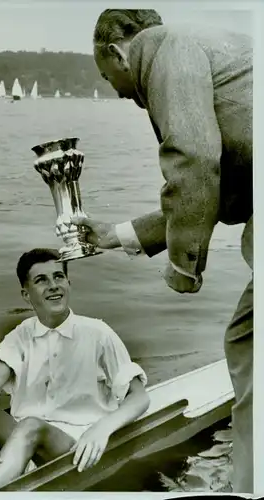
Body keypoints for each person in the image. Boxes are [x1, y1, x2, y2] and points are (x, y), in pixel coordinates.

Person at [70, 9, 253, 493]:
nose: (116, 91)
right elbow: (223, 190)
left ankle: (249, 485)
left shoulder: (168, 47)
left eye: (108, 78)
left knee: (249, 347)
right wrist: (118, 235)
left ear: (117, 52)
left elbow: (192, 159)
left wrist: (182, 268)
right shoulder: (216, 45)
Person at [0, 248, 150, 492]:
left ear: (69, 283)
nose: (53, 286)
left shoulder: (98, 334)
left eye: (59, 277)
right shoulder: (21, 336)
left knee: (31, 425)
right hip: (19, 444)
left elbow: (140, 396)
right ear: (26, 295)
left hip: (75, 446)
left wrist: (103, 429)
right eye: (41, 280)